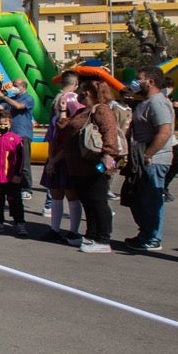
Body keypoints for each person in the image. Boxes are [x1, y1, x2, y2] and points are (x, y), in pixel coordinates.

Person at [64, 79, 121, 253]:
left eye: (80, 91)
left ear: (87, 92)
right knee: (87, 200)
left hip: (93, 164)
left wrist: (108, 154)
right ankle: (91, 234)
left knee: (98, 201)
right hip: (79, 165)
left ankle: (103, 239)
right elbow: (64, 127)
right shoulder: (84, 111)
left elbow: (109, 132)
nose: (78, 95)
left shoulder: (101, 109)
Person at [123, 68, 175, 252]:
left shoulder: (158, 103)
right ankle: (145, 233)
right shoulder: (145, 102)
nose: (135, 83)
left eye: (139, 79)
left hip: (154, 159)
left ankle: (153, 237)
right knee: (139, 199)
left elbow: (165, 131)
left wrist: (148, 154)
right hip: (140, 158)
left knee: (152, 199)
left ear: (151, 82)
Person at [39, 85, 85, 244]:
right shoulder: (54, 119)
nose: (60, 105)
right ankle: (55, 229)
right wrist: (50, 160)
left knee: (71, 195)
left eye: (64, 103)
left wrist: (54, 160)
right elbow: (51, 140)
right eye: (59, 102)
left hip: (68, 161)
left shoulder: (75, 121)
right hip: (54, 161)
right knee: (55, 194)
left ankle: (73, 231)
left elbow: (68, 145)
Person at [0, 111, 27, 235]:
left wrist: (18, 174)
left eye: (5, 123)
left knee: (15, 201)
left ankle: (19, 223)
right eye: (0, 124)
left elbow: (21, 158)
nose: (3, 126)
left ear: (10, 123)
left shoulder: (16, 139)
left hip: (11, 177)